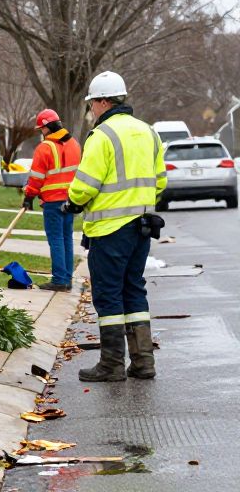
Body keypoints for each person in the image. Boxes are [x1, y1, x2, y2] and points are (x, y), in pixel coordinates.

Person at [64, 71, 166, 382]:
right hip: (143, 227)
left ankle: (110, 364)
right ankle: (143, 362)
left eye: (92, 103)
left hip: (110, 230)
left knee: (108, 295)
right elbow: (160, 181)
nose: (91, 109)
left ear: (103, 101)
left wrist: (72, 202)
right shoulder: (149, 133)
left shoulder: (103, 135)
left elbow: (85, 185)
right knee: (134, 289)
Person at [23, 109, 82, 292]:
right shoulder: (74, 144)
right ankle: (67, 279)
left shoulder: (44, 148)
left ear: (47, 128)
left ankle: (59, 280)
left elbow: (36, 178)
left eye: (42, 128)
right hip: (70, 200)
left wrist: (29, 197)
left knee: (56, 239)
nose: (41, 132)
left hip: (53, 202)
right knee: (66, 239)